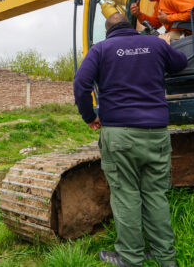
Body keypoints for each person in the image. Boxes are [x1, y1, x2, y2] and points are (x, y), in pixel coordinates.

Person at [73, 13, 187, 267]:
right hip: (156, 131)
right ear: (132, 27)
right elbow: (181, 63)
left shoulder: (101, 49)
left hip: (119, 134)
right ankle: (165, 257)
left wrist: (90, 116)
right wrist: (166, 45)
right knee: (156, 194)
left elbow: (81, 83)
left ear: (108, 31)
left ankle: (131, 258)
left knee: (126, 195)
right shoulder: (156, 44)